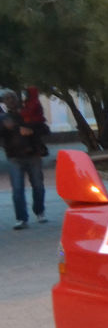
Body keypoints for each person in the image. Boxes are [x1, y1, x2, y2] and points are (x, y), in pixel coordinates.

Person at [1, 89, 48, 228]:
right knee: (17, 189)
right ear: (3, 102)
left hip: (33, 155)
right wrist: (6, 128)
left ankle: (40, 211)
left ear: (17, 99)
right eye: (6, 98)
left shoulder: (28, 113)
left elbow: (44, 128)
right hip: (14, 157)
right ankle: (21, 218)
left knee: (38, 186)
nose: (10, 101)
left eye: (12, 97)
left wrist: (31, 130)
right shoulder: (3, 118)